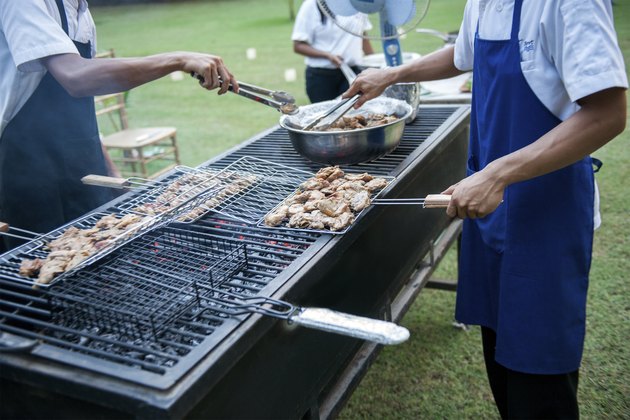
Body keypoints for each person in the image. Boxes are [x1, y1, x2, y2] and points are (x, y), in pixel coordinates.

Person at [343, 0, 627, 418]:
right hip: (491, 211)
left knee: (538, 377)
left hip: (545, 215)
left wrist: (497, 175)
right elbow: (463, 56)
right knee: (500, 360)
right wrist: (394, 74)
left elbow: (608, 114)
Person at [0, 0, 238, 250]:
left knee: (98, 257)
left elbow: (75, 104)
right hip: (28, 171)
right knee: (43, 270)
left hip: (83, 163)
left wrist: (111, 173)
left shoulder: (78, 7)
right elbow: (76, 77)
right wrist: (178, 59)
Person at [291, 0, 373, 103]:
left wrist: (373, 63)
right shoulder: (314, 4)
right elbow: (298, 45)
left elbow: (362, 35)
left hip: (354, 73)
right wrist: (327, 55)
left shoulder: (358, 3)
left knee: (353, 115)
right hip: (322, 77)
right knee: (326, 116)